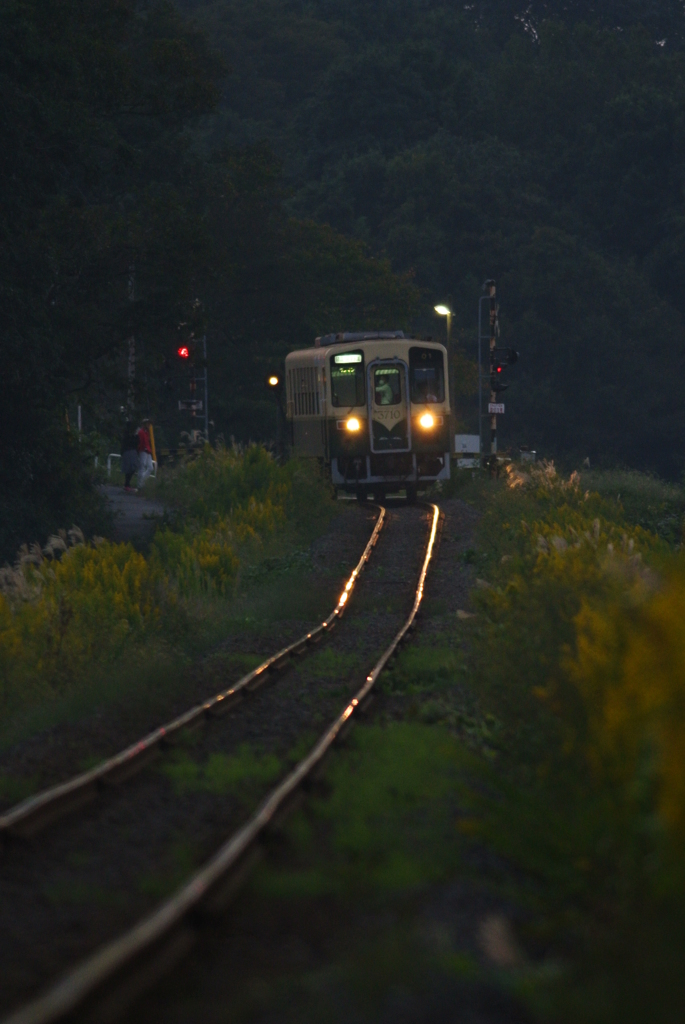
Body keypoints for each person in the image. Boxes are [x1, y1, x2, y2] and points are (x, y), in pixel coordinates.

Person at [120, 421, 139, 492]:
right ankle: (127, 484)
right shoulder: (127, 434)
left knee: (131, 468)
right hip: (129, 451)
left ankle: (127, 484)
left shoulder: (129, 434)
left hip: (129, 451)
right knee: (131, 467)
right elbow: (134, 442)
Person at [137, 418, 154, 489]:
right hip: (143, 450)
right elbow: (140, 442)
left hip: (147, 451)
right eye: (147, 423)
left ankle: (142, 481)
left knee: (150, 467)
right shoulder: (141, 432)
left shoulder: (147, 432)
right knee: (142, 467)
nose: (149, 425)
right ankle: (140, 484)